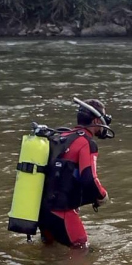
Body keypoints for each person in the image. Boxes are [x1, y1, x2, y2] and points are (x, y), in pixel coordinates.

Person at [38, 99, 113, 249]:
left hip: (41, 210)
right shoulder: (86, 142)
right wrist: (102, 196)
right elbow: (89, 178)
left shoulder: (61, 136)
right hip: (61, 211)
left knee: (48, 252)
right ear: (97, 120)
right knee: (81, 250)